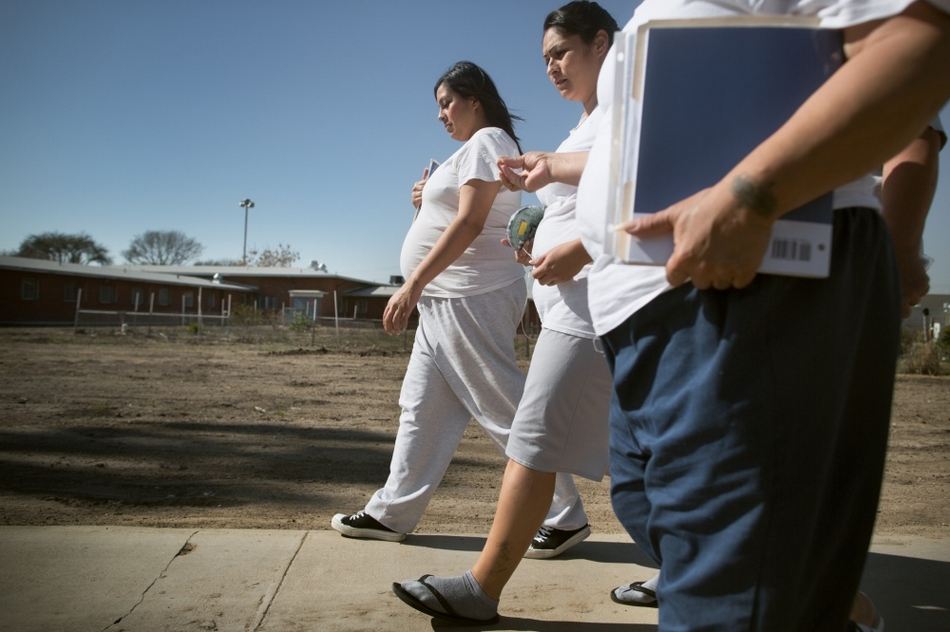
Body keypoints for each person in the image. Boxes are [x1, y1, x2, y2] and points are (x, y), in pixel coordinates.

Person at [568, 1, 950, 630]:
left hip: (747, 292)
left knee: (724, 606)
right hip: (649, 315)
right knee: (678, 535)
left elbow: (919, 46)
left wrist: (752, 193)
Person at [391, 3, 619, 624]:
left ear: (602, 43)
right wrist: (537, 231)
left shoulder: (622, 117)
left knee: (533, 432)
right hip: (562, 302)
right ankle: (396, 510)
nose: (550, 67)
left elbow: (637, 178)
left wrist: (579, 241)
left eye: (561, 53)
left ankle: (484, 585)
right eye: (544, 58)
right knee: (627, 457)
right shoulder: (583, 125)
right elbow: (549, 199)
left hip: (585, 304)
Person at [331, 61, 588, 550]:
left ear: (476, 99)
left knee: (499, 403)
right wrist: (426, 200)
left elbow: (470, 223)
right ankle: (393, 511)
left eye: (448, 102)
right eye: (438, 107)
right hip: (446, 298)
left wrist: (411, 286)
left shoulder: (488, 140)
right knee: (421, 407)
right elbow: (462, 211)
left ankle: (565, 513)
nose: (442, 115)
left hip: (470, 293)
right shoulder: (470, 152)